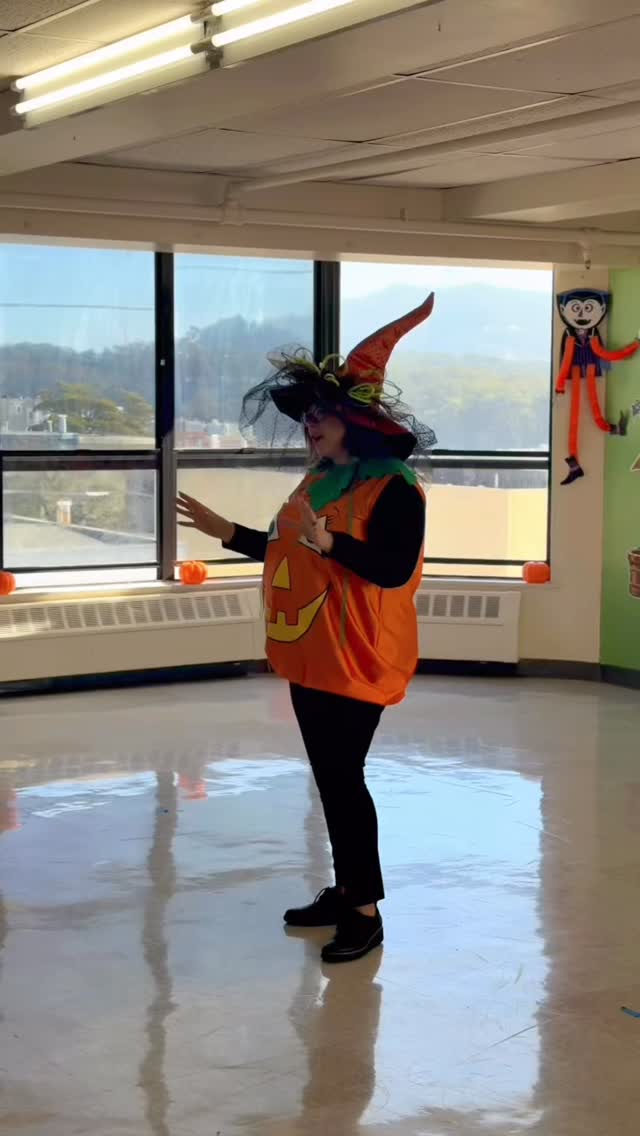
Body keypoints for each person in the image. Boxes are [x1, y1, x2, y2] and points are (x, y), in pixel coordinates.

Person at [176, 294, 436, 964]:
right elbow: (287, 550)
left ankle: (364, 912)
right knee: (331, 776)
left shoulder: (395, 488)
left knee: (344, 779)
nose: (310, 427)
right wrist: (227, 532)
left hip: (360, 655)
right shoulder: (319, 481)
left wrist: (332, 545)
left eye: (323, 416)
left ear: (357, 423)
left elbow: (392, 567)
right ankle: (347, 889)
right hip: (312, 650)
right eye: (308, 417)